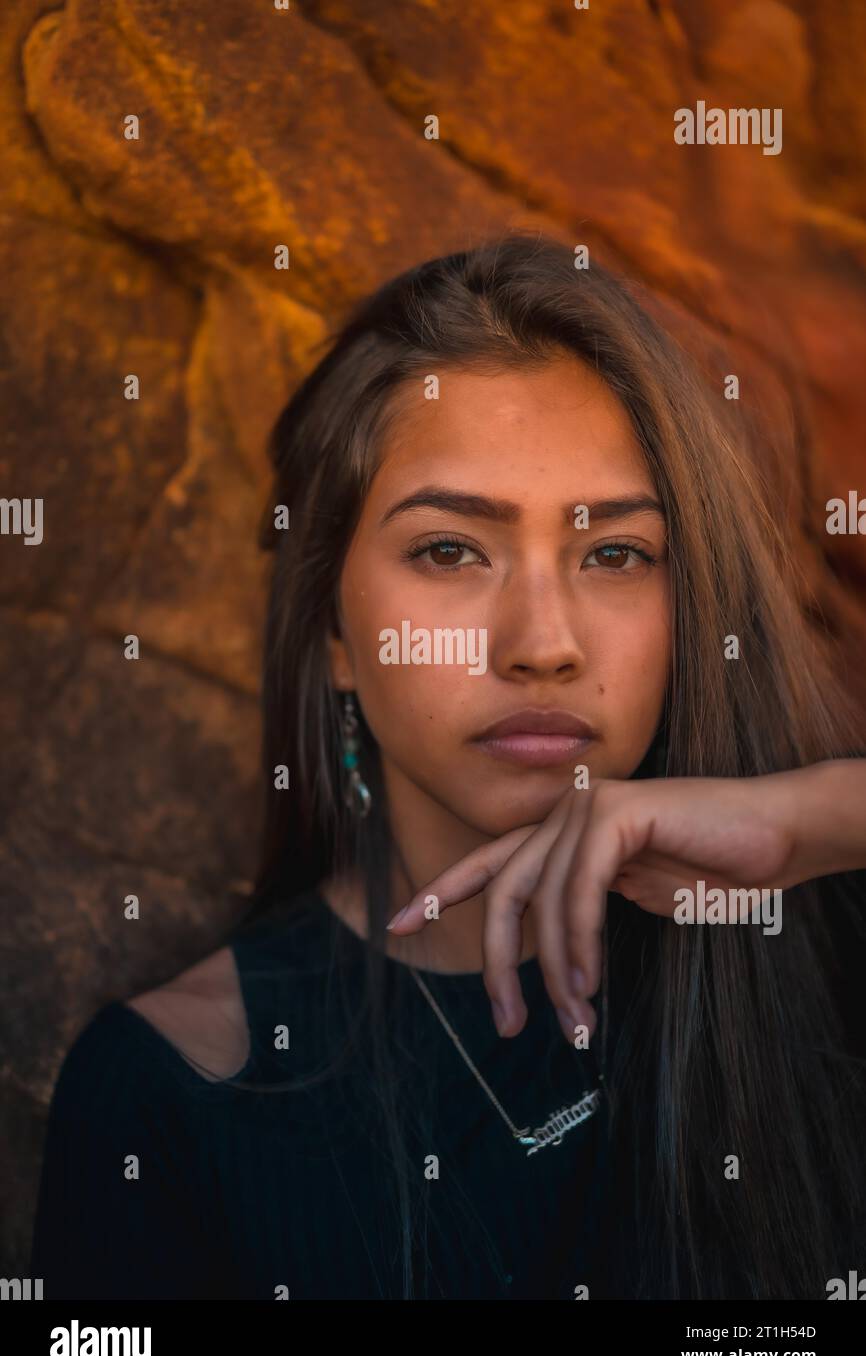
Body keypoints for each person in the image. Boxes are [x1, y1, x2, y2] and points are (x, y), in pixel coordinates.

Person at [30, 233, 866, 1300]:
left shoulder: (826, 939)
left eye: (613, 552)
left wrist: (814, 823)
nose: (540, 642)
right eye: (448, 551)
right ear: (332, 626)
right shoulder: (172, 1095)